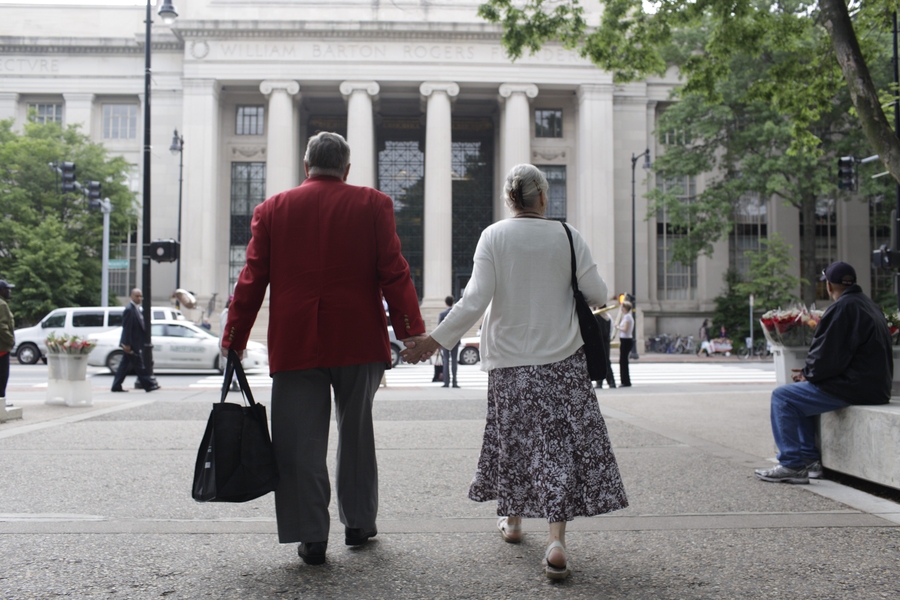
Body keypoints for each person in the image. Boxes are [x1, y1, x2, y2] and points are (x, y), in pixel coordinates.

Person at [401, 164, 628, 580]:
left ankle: (515, 522)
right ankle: (556, 541)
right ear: (543, 198)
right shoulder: (568, 235)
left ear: (510, 200)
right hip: (562, 359)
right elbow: (597, 293)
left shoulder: (494, 236)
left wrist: (435, 340)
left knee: (515, 440)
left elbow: (474, 300)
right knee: (556, 446)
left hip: (509, 362)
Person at [221, 132, 425, 566]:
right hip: (358, 338)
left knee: (299, 443)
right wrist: (410, 330)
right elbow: (394, 271)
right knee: (356, 435)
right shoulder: (374, 204)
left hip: (296, 342)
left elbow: (251, 280)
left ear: (305, 165)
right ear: (347, 169)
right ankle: (358, 523)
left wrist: (235, 337)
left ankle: (311, 535)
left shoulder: (272, 210)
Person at [755, 261, 893, 484]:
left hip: (854, 386)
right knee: (799, 394)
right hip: (876, 386)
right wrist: (809, 374)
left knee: (783, 397)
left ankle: (792, 464)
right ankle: (809, 460)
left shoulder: (842, 308)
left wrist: (809, 373)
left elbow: (829, 355)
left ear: (829, 286)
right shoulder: (868, 305)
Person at [110, 288, 159, 393]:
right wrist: (126, 344)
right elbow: (127, 328)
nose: (139, 298)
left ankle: (116, 386)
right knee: (139, 365)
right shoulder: (129, 309)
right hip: (131, 344)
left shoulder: (136, 309)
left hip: (135, 343)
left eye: (141, 296)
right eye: (137, 296)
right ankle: (149, 385)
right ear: (131, 296)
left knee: (124, 366)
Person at [438, 295, 460, 388]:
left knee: (446, 360)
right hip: (455, 339)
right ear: (453, 302)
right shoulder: (457, 313)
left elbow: (440, 329)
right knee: (454, 360)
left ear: (446, 303)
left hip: (445, 340)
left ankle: (446, 382)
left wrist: (438, 341)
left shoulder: (442, 314)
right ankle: (455, 382)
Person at [0, 280, 15, 408]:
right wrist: (11, 340)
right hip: (2, 347)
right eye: (7, 289)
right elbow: (2, 326)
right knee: (2, 376)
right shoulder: (2, 304)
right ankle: (1, 402)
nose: (9, 291)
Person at [594, 307, 616, 389]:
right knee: (607, 361)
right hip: (606, 342)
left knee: (600, 362)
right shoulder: (608, 317)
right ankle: (611, 382)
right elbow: (611, 329)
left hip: (599, 342)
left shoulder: (596, 316)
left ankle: (600, 382)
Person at [617, 301, 634, 387]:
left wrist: (618, 327)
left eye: (623, 307)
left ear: (626, 308)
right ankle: (624, 380)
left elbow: (625, 329)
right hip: (625, 340)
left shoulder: (627, 317)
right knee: (623, 361)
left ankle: (626, 381)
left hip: (626, 340)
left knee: (623, 361)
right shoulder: (626, 317)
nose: (621, 309)